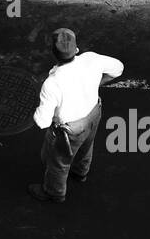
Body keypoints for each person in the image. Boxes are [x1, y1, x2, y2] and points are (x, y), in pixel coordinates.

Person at [29, 27, 124, 204]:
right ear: (77, 49)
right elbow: (118, 68)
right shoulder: (91, 59)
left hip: (70, 128)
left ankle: (54, 193)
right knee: (87, 145)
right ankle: (81, 173)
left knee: (59, 162)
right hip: (94, 114)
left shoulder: (52, 83)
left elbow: (42, 121)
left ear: (54, 53)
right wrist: (99, 82)